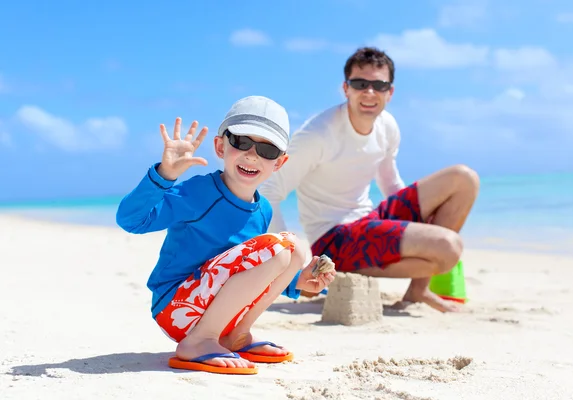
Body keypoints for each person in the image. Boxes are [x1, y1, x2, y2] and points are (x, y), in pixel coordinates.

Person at [115, 95, 336, 375]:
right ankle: (199, 341)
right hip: (176, 308)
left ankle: (236, 336)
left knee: (296, 250)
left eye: (267, 150)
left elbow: (252, 267)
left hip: (220, 315)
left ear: (280, 163)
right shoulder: (197, 193)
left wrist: (298, 282)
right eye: (242, 142)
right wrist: (164, 175)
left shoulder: (262, 209)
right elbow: (131, 220)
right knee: (284, 244)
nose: (252, 155)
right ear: (220, 146)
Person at [260, 47, 479, 313]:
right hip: (334, 239)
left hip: (368, 220)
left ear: (390, 92)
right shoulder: (318, 134)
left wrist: (426, 224)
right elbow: (270, 190)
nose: (369, 92)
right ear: (346, 89)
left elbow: (390, 185)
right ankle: (385, 276)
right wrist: (292, 266)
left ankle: (418, 291)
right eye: (360, 84)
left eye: (379, 85)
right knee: (448, 248)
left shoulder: (387, 125)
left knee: (463, 178)